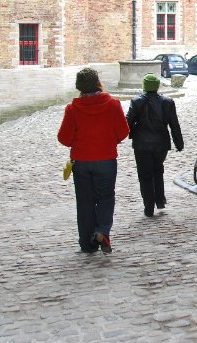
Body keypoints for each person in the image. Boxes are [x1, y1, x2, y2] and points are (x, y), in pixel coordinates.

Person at [58, 68, 129, 254]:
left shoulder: (72, 109)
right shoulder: (113, 104)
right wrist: (108, 139)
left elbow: (64, 138)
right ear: (98, 83)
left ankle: (87, 244)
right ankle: (102, 231)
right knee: (106, 197)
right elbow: (123, 131)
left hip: (81, 161)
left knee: (84, 201)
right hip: (106, 159)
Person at [126, 73, 184, 217]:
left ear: (145, 86)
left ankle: (148, 206)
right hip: (161, 144)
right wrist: (179, 143)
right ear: (157, 86)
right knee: (158, 171)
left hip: (141, 144)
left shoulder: (136, 101)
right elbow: (174, 125)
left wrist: (127, 133)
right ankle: (159, 200)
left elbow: (127, 122)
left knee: (145, 175)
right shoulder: (167, 102)